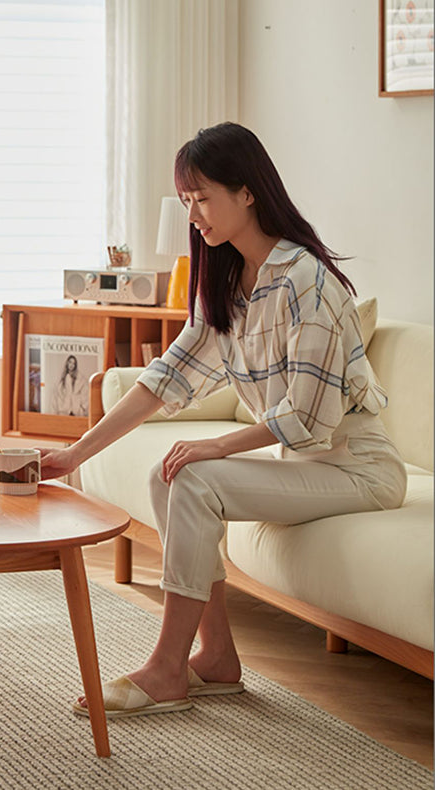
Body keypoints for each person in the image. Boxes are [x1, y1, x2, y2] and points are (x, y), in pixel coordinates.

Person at [39, 122, 406, 719]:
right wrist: (76, 454)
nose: (194, 214)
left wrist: (218, 446)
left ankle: (166, 668)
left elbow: (309, 415)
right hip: (308, 465)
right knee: (167, 473)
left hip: (358, 468)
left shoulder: (306, 281)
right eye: (186, 201)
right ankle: (217, 658)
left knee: (195, 474)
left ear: (247, 192)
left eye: (202, 197)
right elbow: (165, 379)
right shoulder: (231, 284)